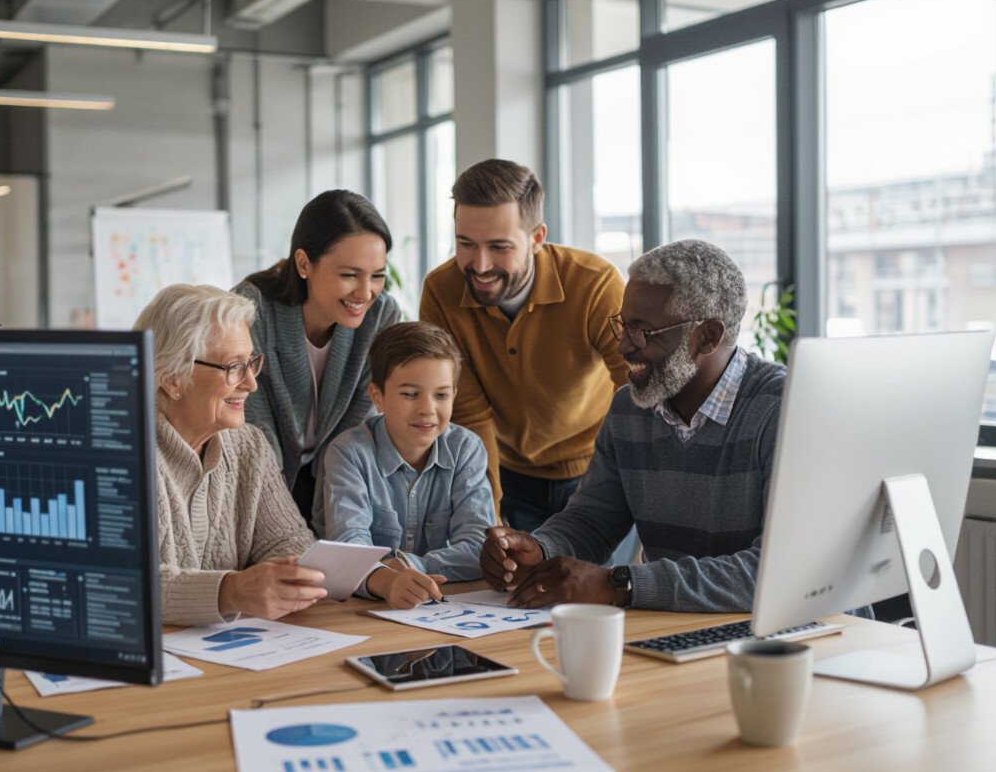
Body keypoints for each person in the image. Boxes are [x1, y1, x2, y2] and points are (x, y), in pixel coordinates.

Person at [479, 239, 785, 613]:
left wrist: (619, 585)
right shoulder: (630, 407)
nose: (624, 346)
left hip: (801, 638)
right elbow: (592, 521)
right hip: (681, 631)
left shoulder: (783, 410)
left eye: (644, 332)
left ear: (707, 336)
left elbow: (777, 572)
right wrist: (538, 550)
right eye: (623, 326)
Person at [420, 159, 637, 562]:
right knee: (514, 597)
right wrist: (489, 515)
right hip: (507, 473)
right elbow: (467, 412)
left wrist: (630, 482)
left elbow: (636, 389)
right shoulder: (441, 290)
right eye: (465, 243)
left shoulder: (594, 283)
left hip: (597, 473)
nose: (479, 265)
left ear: (537, 237)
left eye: (499, 247)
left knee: (600, 600)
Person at [133, 283, 326, 626]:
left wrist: (366, 577)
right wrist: (231, 591)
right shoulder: (123, 456)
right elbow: (123, 581)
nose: (251, 383)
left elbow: (291, 547)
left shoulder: (249, 446)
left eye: (252, 362)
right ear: (173, 379)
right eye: (234, 366)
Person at [235, 190, 401, 525]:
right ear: (303, 263)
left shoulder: (381, 316)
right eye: (349, 275)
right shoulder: (250, 310)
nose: (366, 292)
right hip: (259, 477)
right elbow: (254, 428)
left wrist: (336, 520)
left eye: (378, 275)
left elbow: (358, 422)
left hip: (333, 472)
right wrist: (284, 528)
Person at [313, 321, 495, 608]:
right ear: (378, 398)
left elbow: (479, 548)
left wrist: (406, 566)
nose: (428, 409)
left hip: (440, 605)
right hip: (360, 609)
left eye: (441, 395)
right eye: (410, 394)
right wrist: (388, 579)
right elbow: (350, 550)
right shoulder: (348, 453)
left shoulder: (466, 449)